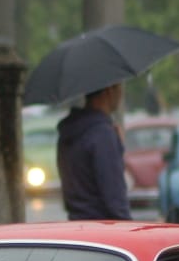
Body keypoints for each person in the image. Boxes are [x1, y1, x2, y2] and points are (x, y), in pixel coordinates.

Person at [56, 82, 131, 220]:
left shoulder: (69, 132)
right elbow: (114, 198)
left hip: (77, 226)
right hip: (103, 229)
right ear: (109, 90)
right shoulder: (102, 134)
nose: (121, 94)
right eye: (120, 87)